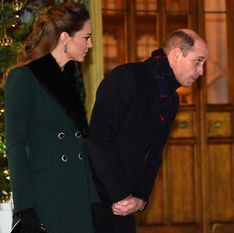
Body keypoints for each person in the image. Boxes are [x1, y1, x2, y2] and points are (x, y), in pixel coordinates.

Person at [88, 28, 208, 233]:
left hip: (125, 204)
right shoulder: (126, 78)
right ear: (177, 54)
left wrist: (140, 198)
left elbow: (154, 154)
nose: (201, 71)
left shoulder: (171, 99)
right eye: (198, 61)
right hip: (95, 200)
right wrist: (121, 195)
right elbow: (100, 142)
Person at [4, 2, 103, 233]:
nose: (91, 44)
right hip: (46, 196)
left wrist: (92, 197)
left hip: (75, 193)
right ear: (65, 38)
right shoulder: (22, 78)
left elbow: (79, 143)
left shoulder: (71, 79)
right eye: (86, 37)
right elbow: (15, 147)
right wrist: (24, 206)